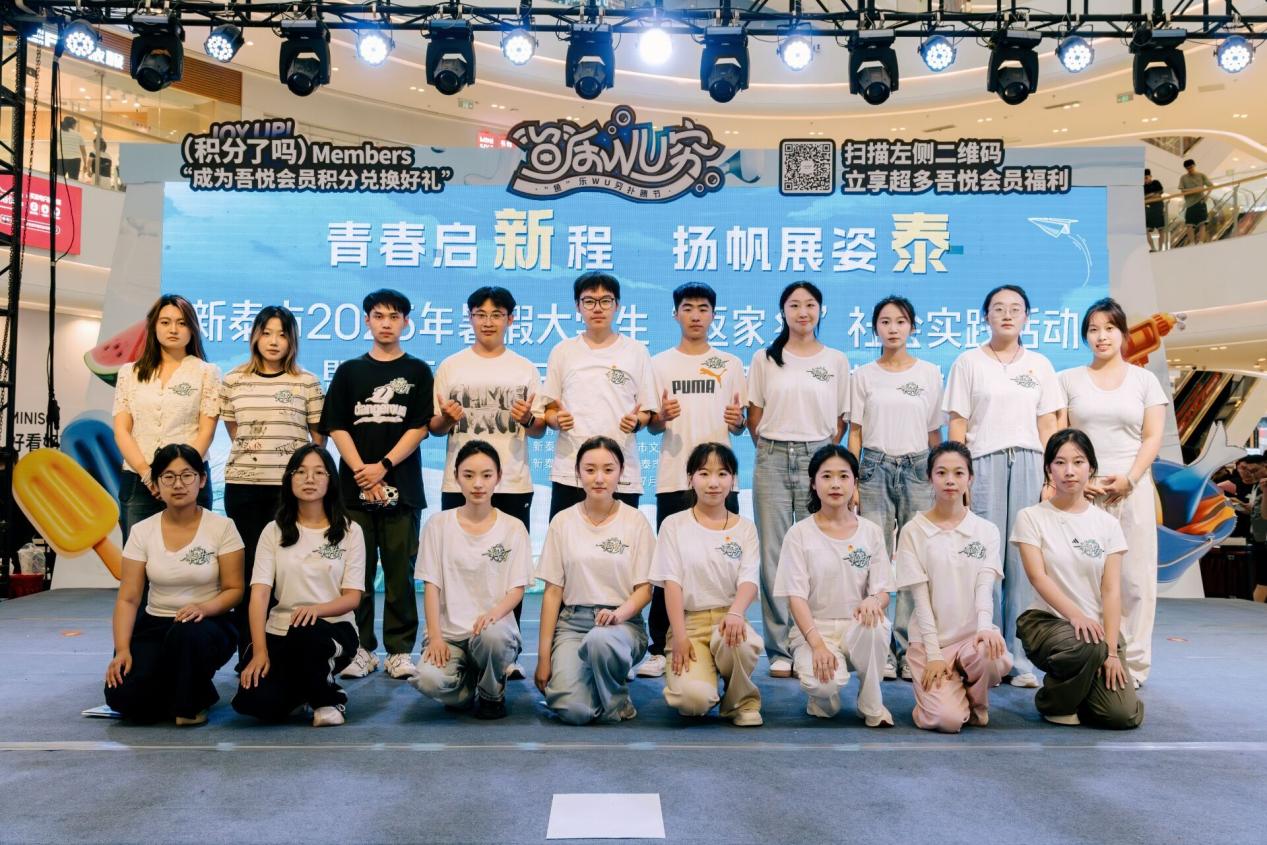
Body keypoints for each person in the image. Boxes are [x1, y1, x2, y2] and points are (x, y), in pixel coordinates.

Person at [943, 284, 1060, 689]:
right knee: (986, 562)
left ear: (1027, 316)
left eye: (1015, 308)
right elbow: (957, 423)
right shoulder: (968, 362)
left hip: (1028, 461)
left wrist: (1049, 476)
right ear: (986, 316)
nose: (1007, 314)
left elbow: (1049, 425)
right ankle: (987, 655)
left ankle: (1022, 658)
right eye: (998, 308)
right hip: (984, 463)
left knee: (1024, 563)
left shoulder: (1040, 365)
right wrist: (960, 475)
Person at [430, 286, 543, 679]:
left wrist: (528, 418)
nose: (488, 321)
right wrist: (447, 418)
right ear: (470, 318)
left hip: (512, 482)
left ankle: (506, 653)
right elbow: (434, 427)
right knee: (455, 568)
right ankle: (452, 645)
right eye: (480, 314)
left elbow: (539, 428)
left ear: (511, 319)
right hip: (460, 484)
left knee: (509, 571)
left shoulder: (524, 368)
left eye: (497, 315)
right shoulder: (451, 366)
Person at [320, 289, 433, 680]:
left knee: (400, 574)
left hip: (402, 487)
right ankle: (361, 649)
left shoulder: (418, 371)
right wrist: (361, 472)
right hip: (354, 492)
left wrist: (382, 467)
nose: (386, 323)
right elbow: (336, 425)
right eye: (379, 316)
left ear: (406, 323)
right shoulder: (350, 371)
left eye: (394, 316)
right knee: (356, 573)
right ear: (366, 320)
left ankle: (399, 651)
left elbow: (420, 427)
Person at [1058, 298, 1168, 685]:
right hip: (1084, 492)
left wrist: (1131, 479)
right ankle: (1091, 659)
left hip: (1131, 490)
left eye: (1109, 328)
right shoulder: (1068, 379)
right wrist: (1079, 480)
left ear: (1123, 334)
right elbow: (1061, 437)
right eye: (1093, 329)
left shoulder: (1144, 381)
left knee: (1135, 580)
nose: (1101, 336)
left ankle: (1133, 665)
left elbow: (1152, 436)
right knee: (1084, 579)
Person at [642, 282, 747, 679]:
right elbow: (652, 425)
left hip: (721, 481)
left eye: (703, 308)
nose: (696, 315)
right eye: (688, 308)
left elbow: (738, 425)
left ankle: (726, 640)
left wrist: (737, 423)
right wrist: (661, 418)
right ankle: (659, 646)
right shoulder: (659, 364)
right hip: (675, 478)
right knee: (667, 566)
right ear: (676, 314)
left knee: (723, 563)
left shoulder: (729, 363)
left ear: (713, 315)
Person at [748, 281, 850, 678]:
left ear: (821, 310)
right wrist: (773, 446)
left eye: (810, 305)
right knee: (774, 554)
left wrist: (821, 455)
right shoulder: (765, 359)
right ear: (783, 311)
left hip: (818, 458)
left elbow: (840, 420)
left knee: (818, 551)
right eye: (794, 305)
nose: (802, 311)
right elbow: (755, 416)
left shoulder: (836, 360)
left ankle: (812, 638)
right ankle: (779, 648)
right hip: (772, 457)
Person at [104, 444, 244, 724]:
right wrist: (122, 650)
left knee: (187, 635)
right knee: (122, 697)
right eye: (168, 477)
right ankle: (188, 691)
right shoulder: (142, 531)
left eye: (187, 475)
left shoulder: (223, 527)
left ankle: (190, 703)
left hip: (207, 625)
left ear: (201, 480)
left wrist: (204, 608)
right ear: (156, 485)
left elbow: (235, 590)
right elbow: (128, 598)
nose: (178, 484)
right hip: (156, 624)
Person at [1013, 429, 1144, 729]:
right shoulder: (1031, 517)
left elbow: (1111, 591)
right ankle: (1053, 702)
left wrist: (1112, 652)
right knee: (1087, 644)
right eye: (1060, 463)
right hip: (1046, 623)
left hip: (1097, 633)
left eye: (1078, 462)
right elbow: (1038, 577)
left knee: (1121, 715)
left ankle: (1083, 688)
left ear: (1091, 468)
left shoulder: (1107, 525)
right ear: (1049, 469)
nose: (1069, 471)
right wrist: (1077, 617)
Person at [221, 305, 324, 666]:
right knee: (250, 571)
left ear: (292, 340)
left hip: (288, 492)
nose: (274, 341)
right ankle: (250, 652)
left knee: (288, 570)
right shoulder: (233, 380)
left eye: (282, 334)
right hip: (244, 488)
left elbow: (317, 440)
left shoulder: (307, 382)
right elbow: (235, 431)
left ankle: (282, 652)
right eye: (266, 333)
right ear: (254, 336)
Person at [232, 445, 364, 727]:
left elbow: (352, 597)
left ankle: (329, 698)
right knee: (254, 702)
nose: (309, 479)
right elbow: (260, 594)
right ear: (289, 479)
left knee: (307, 631)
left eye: (319, 472)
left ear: (331, 480)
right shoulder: (273, 530)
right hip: (282, 631)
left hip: (332, 629)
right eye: (301, 472)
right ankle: (305, 689)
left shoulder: (350, 530)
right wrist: (259, 651)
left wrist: (316, 610)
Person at [848, 294, 943, 680]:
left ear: (912, 327)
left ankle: (905, 647)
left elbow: (934, 433)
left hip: (918, 468)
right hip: (874, 467)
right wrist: (853, 479)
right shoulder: (863, 375)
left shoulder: (929, 373)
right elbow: (855, 432)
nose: (893, 328)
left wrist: (940, 476)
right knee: (875, 558)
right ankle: (878, 645)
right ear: (874, 328)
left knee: (914, 559)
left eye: (900, 321)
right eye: (885, 322)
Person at [535, 436, 654, 725]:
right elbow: (552, 593)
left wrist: (617, 615)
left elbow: (645, 590)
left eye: (608, 470)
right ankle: (591, 687)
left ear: (621, 472)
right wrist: (543, 657)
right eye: (590, 470)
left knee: (601, 641)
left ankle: (617, 700)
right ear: (578, 473)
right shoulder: (562, 522)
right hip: (573, 624)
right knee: (574, 712)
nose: (599, 478)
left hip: (623, 624)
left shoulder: (635, 521)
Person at [895, 442, 1012, 733]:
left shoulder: (986, 531)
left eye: (959, 473)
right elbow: (920, 601)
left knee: (992, 655)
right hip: (931, 643)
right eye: (941, 473)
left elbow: (984, 588)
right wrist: (934, 655)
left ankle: (976, 701)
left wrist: (984, 628)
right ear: (929, 477)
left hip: (971, 641)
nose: (950, 480)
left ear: (970, 478)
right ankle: (938, 698)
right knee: (945, 721)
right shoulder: (913, 531)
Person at [412, 441, 533, 719]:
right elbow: (431, 586)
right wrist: (435, 637)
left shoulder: (513, 527)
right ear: (456, 477)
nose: (478, 484)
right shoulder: (438, 525)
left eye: (486, 475)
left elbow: (517, 589)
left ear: (498, 477)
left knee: (493, 637)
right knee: (427, 680)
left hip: (492, 632)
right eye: (468, 475)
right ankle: (465, 689)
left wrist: (493, 615)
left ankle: (491, 693)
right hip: (450, 637)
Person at [773, 445, 893, 726]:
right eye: (826, 476)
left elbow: (883, 590)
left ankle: (871, 702)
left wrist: (874, 600)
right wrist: (817, 645)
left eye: (843, 476)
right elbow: (795, 598)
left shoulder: (871, 532)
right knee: (824, 686)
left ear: (855, 482)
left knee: (877, 624)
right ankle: (822, 699)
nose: (836, 484)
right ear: (813, 484)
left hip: (856, 627)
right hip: (815, 630)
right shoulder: (799, 534)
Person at [651, 443, 763, 726]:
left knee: (740, 642)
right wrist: (679, 636)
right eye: (704, 473)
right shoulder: (673, 525)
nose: (713, 483)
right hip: (689, 623)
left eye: (722, 474)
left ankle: (740, 702)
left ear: (733, 480)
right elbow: (671, 584)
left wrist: (735, 613)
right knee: (693, 702)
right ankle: (705, 678)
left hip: (729, 620)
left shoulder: (745, 528)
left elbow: (749, 580)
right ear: (691, 478)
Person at [541, 272, 657, 519]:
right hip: (571, 469)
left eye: (605, 301)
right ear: (578, 306)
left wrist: (637, 422)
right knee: (566, 538)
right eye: (589, 301)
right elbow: (549, 410)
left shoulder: (636, 352)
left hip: (620, 469)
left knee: (620, 539)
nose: (597, 308)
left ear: (617, 305)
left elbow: (647, 410)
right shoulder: (562, 351)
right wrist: (556, 419)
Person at [112, 294, 220, 540]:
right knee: (138, 556)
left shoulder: (207, 372)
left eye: (182, 323)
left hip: (191, 480)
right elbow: (122, 430)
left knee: (195, 552)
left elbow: (207, 431)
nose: (173, 329)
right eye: (165, 322)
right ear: (153, 326)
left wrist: (180, 475)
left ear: (192, 329)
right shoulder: (129, 373)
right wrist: (148, 474)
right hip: (139, 479)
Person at [1178, 158, 1214, 244]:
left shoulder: (1201, 175)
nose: (1190, 169)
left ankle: (1201, 242)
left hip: (1200, 202)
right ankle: (1192, 242)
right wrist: (1196, 189)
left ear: (1194, 166)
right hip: (1189, 204)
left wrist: (1207, 196)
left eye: (1191, 167)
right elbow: (1182, 191)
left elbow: (1211, 186)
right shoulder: (1183, 177)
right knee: (1189, 224)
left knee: (1202, 223)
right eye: (1187, 168)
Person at [58, 116, 87, 180]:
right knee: (74, 180)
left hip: (61, 159)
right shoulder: (78, 135)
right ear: (73, 125)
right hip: (75, 160)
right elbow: (84, 152)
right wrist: (85, 164)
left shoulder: (58, 131)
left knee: (59, 180)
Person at [1144, 169, 1166, 251]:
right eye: (1143, 178)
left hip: (1158, 207)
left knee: (1161, 229)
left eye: (1146, 178)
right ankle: (1153, 248)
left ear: (1150, 176)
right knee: (1146, 230)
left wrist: (1148, 196)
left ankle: (1160, 249)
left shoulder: (1156, 182)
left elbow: (1159, 194)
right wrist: (1152, 194)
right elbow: (1142, 197)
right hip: (1148, 209)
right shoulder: (1143, 187)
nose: (1145, 180)